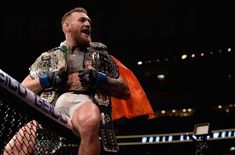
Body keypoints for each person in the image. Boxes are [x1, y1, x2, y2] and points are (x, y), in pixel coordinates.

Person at [3, 6, 155, 155]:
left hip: (82, 103)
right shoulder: (49, 57)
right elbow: (22, 89)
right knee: (12, 149)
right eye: (82, 20)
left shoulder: (100, 56)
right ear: (66, 26)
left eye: (89, 22)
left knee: (90, 119)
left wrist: (99, 78)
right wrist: (47, 80)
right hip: (50, 108)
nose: (88, 24)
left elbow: (124, 90)